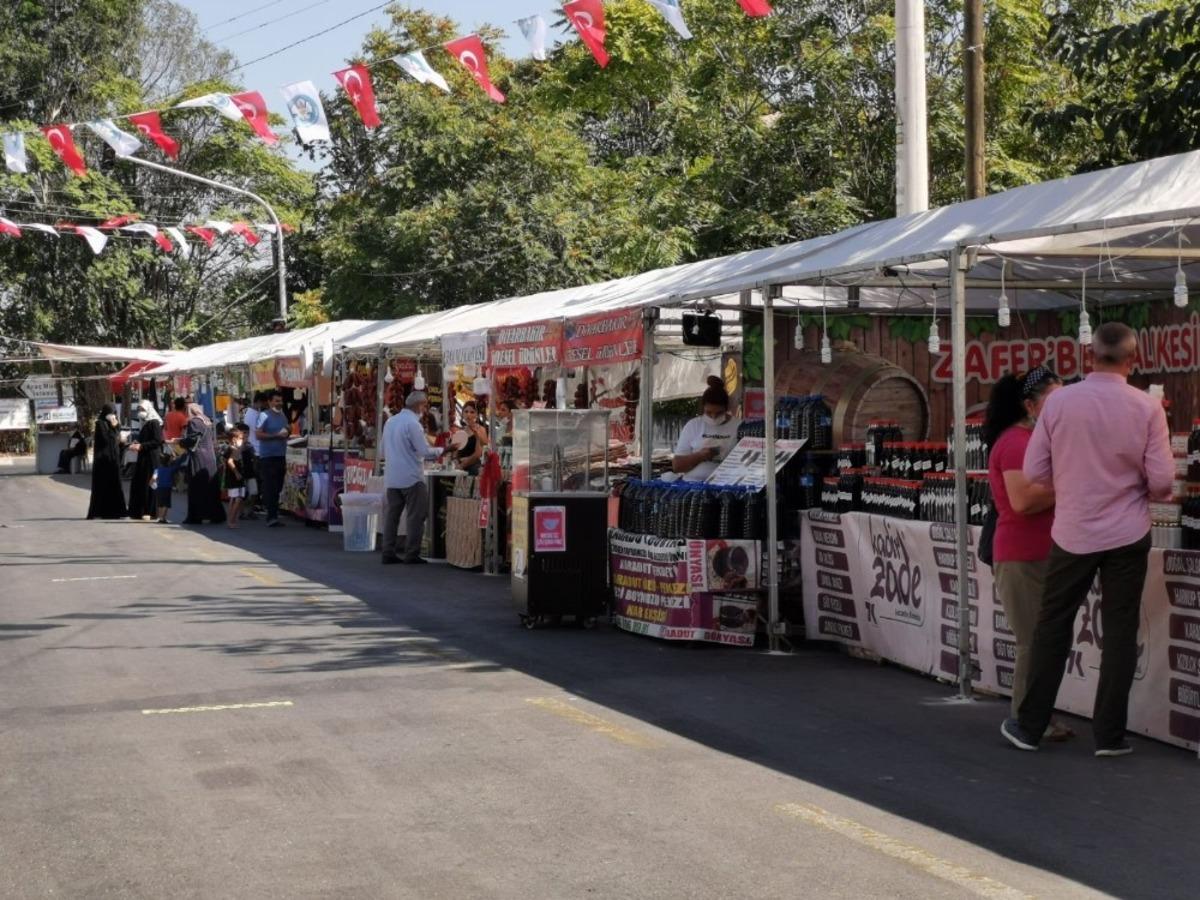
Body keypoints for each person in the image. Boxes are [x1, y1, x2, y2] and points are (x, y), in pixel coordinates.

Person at [1001, 323, 1174, 757]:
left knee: (1052, 626)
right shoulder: (1146, 407)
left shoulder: (1060, 403)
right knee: (1119, 632)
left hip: (1074, 530)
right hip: (1127, 532)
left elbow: (1038, 472)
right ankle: (1110, 737)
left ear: (1087, 358)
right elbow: (1163, 482)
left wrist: (1077, 475)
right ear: (1134, 361)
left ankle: (1029, 726)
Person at [984, 366, 1073, 742]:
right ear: (1030, 405)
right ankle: (1027, 718)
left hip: (1044, 552)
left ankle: (1039, 716)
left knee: (1044, 641)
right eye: (1054, 400)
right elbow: (1023, 501)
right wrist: (1076, 481)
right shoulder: (1016, 442)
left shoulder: (1034, 439)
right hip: (1023, 554)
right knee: (1033, 642)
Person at [380, 390, 444, 564]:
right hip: (411, 477)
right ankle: (412, 553)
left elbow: (381, 450)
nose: (425, 409)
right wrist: (444, 450)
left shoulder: (391, 422)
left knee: (392, 516)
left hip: (392, 476)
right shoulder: (413, 424)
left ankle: (388, 551)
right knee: (416, 516)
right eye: (425, 405)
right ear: (419, 405)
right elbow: (424, 451)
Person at [672, 377, 740, 481]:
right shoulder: (693, 425)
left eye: (719, 413)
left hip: (727, 485)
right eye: (709, 413)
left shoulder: (739, 426)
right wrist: (700, 456)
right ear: (703, 408)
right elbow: (677, 466)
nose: (713, 417)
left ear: (727, 408)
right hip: (693, 484)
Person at [179, 402, 224, 525]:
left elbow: (193, 439)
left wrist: (181, 442)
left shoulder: (194, 423)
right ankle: (214, 515)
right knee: (210, 487)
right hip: (209, 457)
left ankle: (197, 516)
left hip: (199, 457)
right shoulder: (205, 421)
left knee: (197, 487)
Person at [86, 405, 128, 520]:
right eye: (110, 412)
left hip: (113, 459)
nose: (112, 415)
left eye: (114, 412)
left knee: (115, 484)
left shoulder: (113, 423)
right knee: (103, 486)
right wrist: (114, 428)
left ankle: (117, 512)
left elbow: (116, 437)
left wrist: (117, 427)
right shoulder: (100, 423)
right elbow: (106, 439)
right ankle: (100, 512)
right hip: (103, 460)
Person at [256, 390, 290, 527]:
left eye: (280, 401)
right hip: (267, 457)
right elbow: (258, 434)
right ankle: (271, 517)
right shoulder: (264, 416)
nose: (279, 403)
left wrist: (288, 431)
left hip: (280, 455)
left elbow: (286, 429)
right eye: (276, 401)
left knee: (278, 486)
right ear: (270, 402)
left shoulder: (282, 415)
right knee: (271, 486)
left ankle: (274, 514)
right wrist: (276, 436)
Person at [127, 399, 164, 521]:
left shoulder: (154, 423)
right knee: (141, 484)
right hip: (144, 458)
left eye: (142, 409)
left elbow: (157, 441)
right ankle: (141, 510)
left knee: (150, 484)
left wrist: (141, 446)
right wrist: (138, 443)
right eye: (139, 409)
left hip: (151, 458)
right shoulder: (147, 423)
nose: (140, 412)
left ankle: (150, 511)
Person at [449, 401, 489, 476]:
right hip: (459, 467)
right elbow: (454, 454)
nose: (468, 414)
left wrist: (463, 464)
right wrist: (457, 461)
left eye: (472, 412)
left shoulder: (481, 429)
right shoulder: (460, 431)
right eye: (466, 411)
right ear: (462, 414)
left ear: (476, 414)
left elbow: (479, 453)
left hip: (473, 466)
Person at [221, 428, 248, 528]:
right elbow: (230, 461)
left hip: (232, 477)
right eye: (241, 438)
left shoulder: (231, 448)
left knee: (234, 499)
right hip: (236, 478)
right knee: (237, 498)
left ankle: (231, 520)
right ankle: (231, 520)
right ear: (234, 439)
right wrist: (236, 473)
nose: (243, 439)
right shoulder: (233, 449)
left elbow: (225, 460)